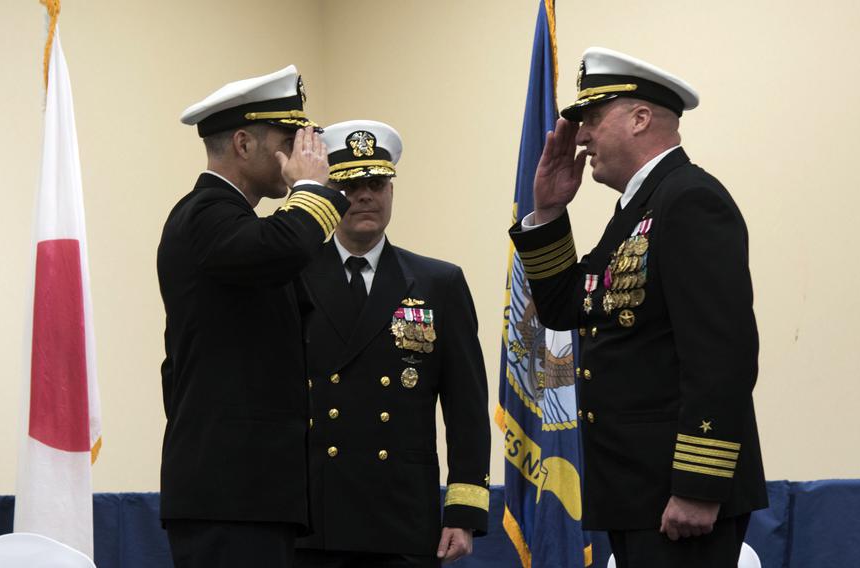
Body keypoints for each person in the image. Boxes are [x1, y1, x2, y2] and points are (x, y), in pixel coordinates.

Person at [509, 47, 768, 567]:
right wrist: (550, 211)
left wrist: (699, 484)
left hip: (680, 493)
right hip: (634, 490)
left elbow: (722, 355)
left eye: (592, 119)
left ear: (641, 118)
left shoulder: (690, 200)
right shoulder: (636, 211)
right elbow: (564, 309)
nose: (580, 137)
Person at [157, 65, 349, 568]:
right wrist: (312, 189)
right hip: (227, 493)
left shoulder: (235, 223)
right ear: (243, 144)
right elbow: (281, 246)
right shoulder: (204, 213)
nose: (305, 155)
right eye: (289, 139)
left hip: (248, 491)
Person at [294, 120, 491, 567]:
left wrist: (463, 510)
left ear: (391, 191)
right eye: (349, 184)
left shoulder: (438, 283)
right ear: (329, 192)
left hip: (401, 516)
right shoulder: (294, 278)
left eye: (377, 183)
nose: (365, 195)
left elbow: (466, 407)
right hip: (313, 518)